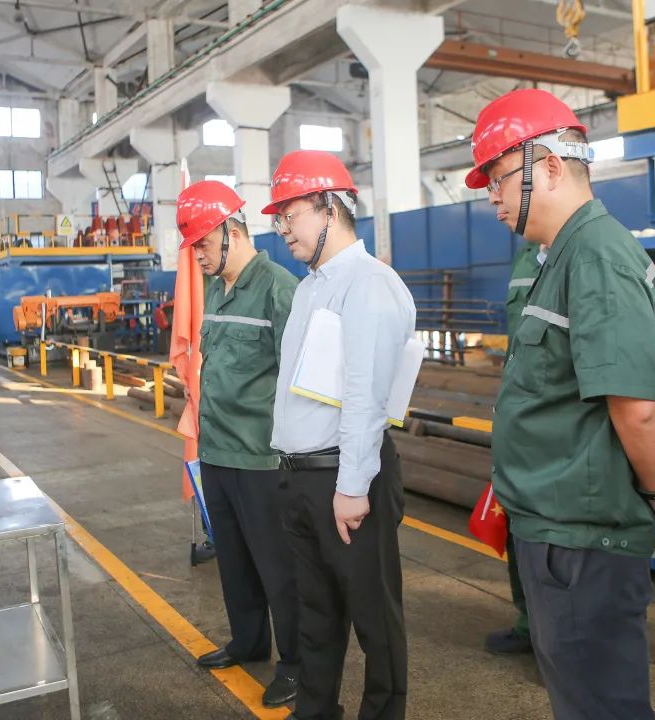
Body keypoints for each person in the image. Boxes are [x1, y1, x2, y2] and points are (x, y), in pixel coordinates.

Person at [468, 89, 655, 719]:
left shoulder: (595, 254)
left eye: (497, 178)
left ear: (547, 166)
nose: (491, 198)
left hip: (582, 541)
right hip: (562, 527)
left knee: (601, 706)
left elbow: (637, 409)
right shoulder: (562, 255)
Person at [266, 150, 415, 720]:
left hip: (349, 478)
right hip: (302, 478)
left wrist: (351, 487)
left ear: (330, 207)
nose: (283, 229)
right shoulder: (311, 287)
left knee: (376, 620)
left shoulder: (369, 284)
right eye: (279, 218)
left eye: (291, 214)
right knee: (317, 616)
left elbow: (365, 397)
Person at [178, 180, 302, 708]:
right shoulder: (215, 289)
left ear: (232, 231)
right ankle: (248, 641)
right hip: (218, 453)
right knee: (234, 561)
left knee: (280, 568)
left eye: (204, 244)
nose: (198, 256)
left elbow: (300, 379)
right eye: (194, 247)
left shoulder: (279, 289)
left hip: (262, 458)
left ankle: (296, 665)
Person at [483, 241, 540, 656]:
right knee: (518, 531)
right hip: (519, 418)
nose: (496, 210)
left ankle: (555, 642)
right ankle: (528, 624)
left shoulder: (584, 254)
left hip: (556, 424)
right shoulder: (524, 257)